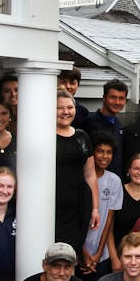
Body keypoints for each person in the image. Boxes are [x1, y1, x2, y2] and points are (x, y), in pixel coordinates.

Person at [56, 90, 100, 253]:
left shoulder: (82, 137)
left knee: (71, 253)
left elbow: (90, 174)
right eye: (59, 108)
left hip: (78, 205)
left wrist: (95, 208)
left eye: (69, 107)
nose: (65, 112)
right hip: (51, 204)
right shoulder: (43, 135)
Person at [80, 133, 123, 281]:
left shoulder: (114, 181)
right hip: (79, 252)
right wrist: (82, 250)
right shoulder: (81, 178)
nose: (105, 156)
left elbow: (108, 220)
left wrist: (98, 253)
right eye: (100, 151)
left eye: (109, 152)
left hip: (101, 254)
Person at [83, 78, 128, 177]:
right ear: (104, 98)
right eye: (113, 97)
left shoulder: (118, 124)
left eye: (121, 98)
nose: (117, 102)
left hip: (114, 183)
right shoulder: (89, 122)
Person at [113, 154, 140, 245]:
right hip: (119, 250)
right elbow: (108, 227)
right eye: (136, 168)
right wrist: (114, 258)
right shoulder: (118, 191)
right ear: (129, 170)